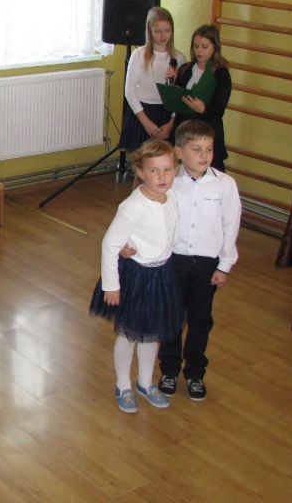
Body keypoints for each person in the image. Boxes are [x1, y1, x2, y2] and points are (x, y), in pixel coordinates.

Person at [90, 139, 183, 414]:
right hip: (136, 277)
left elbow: (170, 232)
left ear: (175, 170)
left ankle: (145, 381)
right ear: (141, 172)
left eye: (167, 170)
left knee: (152, 332)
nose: (162, 176)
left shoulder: (172, 196)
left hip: (161, 274)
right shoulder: (133, 206)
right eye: (154, 171)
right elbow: (110, 244)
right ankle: (123, 385)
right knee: (129, 333)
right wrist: (111, 285)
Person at [156, 120, 241, 401]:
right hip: (173, 262)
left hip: (206, 265)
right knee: (172, 318)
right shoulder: (169, 183)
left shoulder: (224, 185)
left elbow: (231, 226)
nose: (204, 155)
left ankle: (194, 373)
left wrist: (224, 266)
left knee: (200, 320)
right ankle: (169, 369)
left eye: (209, 149)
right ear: (179, 152)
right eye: (196, 149)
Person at [118, 7, 186, 153]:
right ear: (149, 31)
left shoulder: (178, 58)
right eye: (157, 31)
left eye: (167, 30)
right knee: (141, 159)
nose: (163, 35)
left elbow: (179, 95)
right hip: (142, 112)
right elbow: (129, 92)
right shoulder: (139, 55)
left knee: (164, 158)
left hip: (166, 113)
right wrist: (146, 122)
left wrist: (171, 122)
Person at [171, 24, 232, 171]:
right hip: (184, 130)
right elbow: (176, 99)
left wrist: (202, 109)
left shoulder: (221, 74)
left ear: (214, 48)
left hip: (207, 132)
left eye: (204, 47)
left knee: (210, 173)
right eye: (196, 46)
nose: (199, 50)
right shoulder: (186, 69)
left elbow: (219, 110)